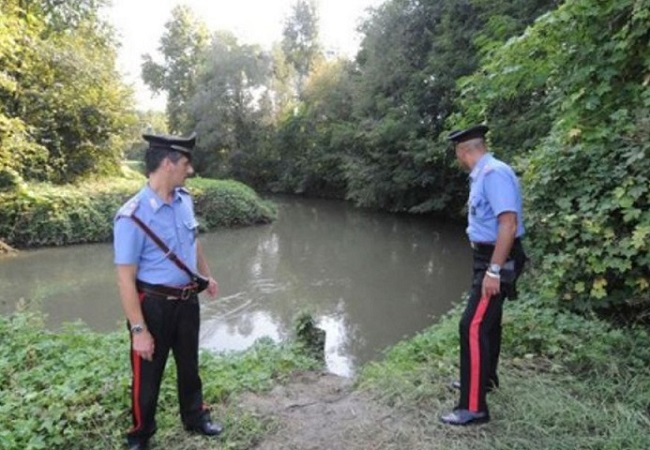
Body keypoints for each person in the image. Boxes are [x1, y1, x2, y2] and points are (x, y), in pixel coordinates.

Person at [113, 132, 223, 449]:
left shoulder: (184, 201)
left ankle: (195, 417)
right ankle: (140, 434)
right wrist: (138, 329)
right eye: (185, 164)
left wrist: (205, 275)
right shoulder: (131, 216)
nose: (189, 170)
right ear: (167, 163)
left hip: (187, 299)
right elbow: (124, 279)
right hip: (153, 305)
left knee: (189, 364)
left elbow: (192, 242)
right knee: (148, 375)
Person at [440, 124, 527, 426]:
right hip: (487, 256)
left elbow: (508, 225)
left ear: (465, 151)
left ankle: (473, 407)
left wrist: (493, 270)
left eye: (458, 153)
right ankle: (484, 380)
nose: (459, 158)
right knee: (488, 323)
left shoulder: (494, 174)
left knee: (472, 326)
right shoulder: (482, 174)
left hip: (497, 258)